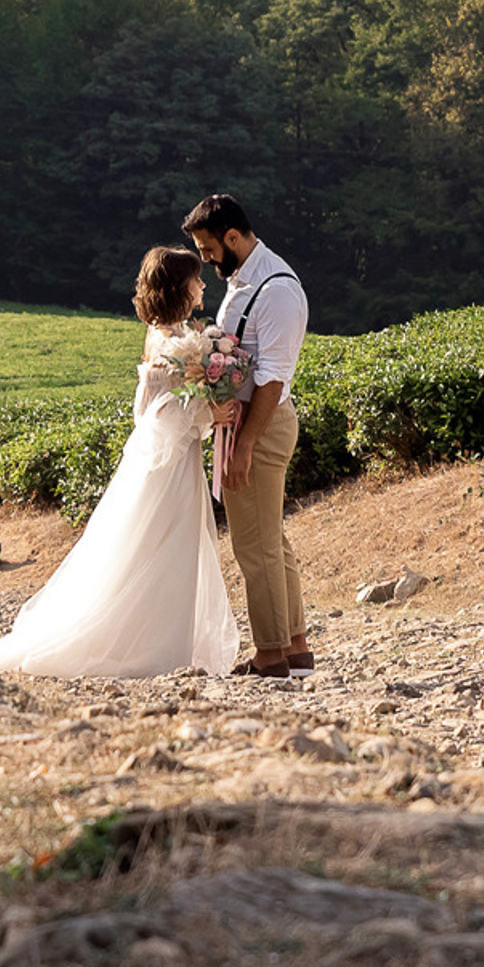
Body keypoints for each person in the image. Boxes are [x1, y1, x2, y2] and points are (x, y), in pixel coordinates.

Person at [0, 246, 240, 680]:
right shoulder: (172, 342)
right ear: (179, 288)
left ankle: (169, 642)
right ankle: (153, 647)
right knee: (162, 545)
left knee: (166, 545)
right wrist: (211, 413)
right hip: (166, 465)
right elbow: (162, 413)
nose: (202, 285)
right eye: (195, 280)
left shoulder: (171, 334)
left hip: (170, 460)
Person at [184, 192, 312, 678]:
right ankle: (295, 647)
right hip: (247, 424)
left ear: (233, 237)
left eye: (209, 248)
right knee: (270, 538)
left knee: (253, 545)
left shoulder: (276, 288)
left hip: (263, 424)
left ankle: (270, 654)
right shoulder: (243, 280)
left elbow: (274, 377)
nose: (205, 258)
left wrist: (245, 446)